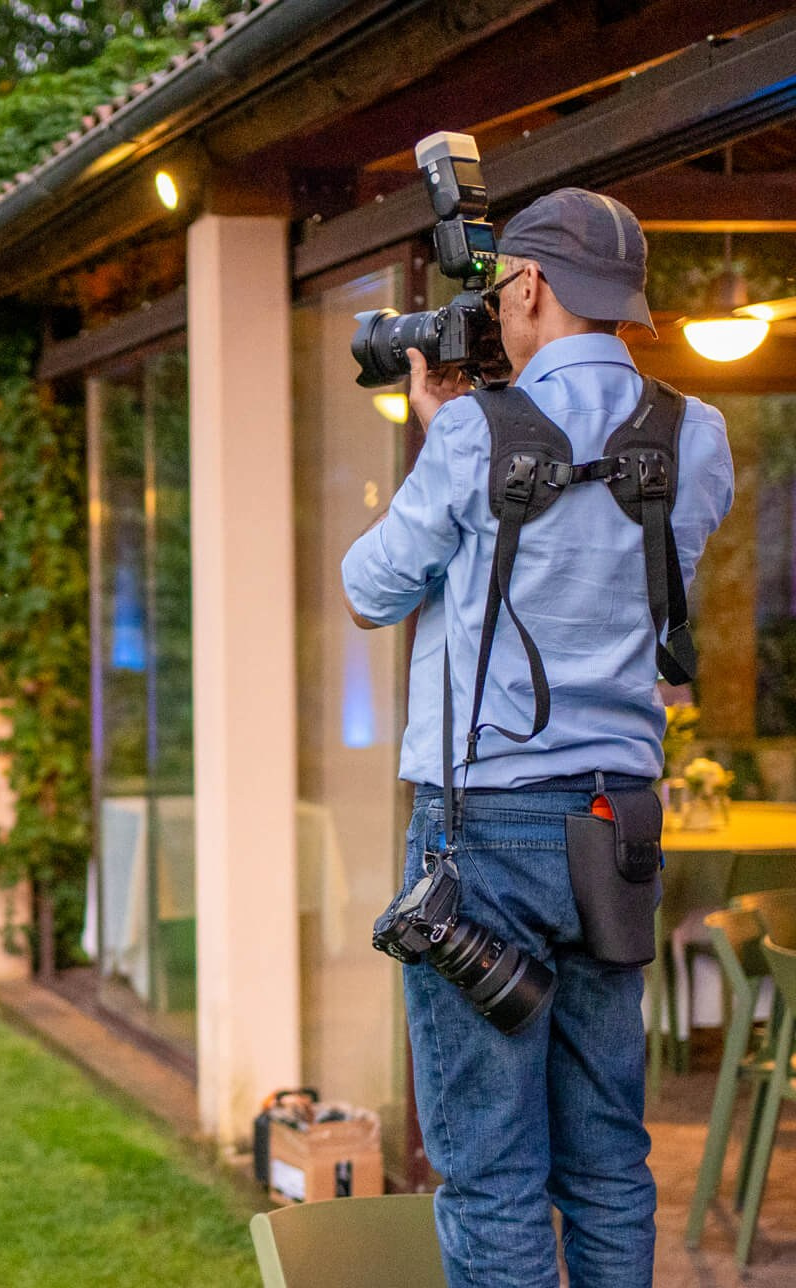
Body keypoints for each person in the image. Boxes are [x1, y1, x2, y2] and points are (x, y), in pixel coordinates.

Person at [341, 190, 732, 1288]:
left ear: (525, 287)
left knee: (491, 1172)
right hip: (615, 832)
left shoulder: (471, 432)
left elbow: (368, 589)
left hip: (484, 840)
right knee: (605, 1159)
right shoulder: (691, 437)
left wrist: (449, 438)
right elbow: (646, 607)